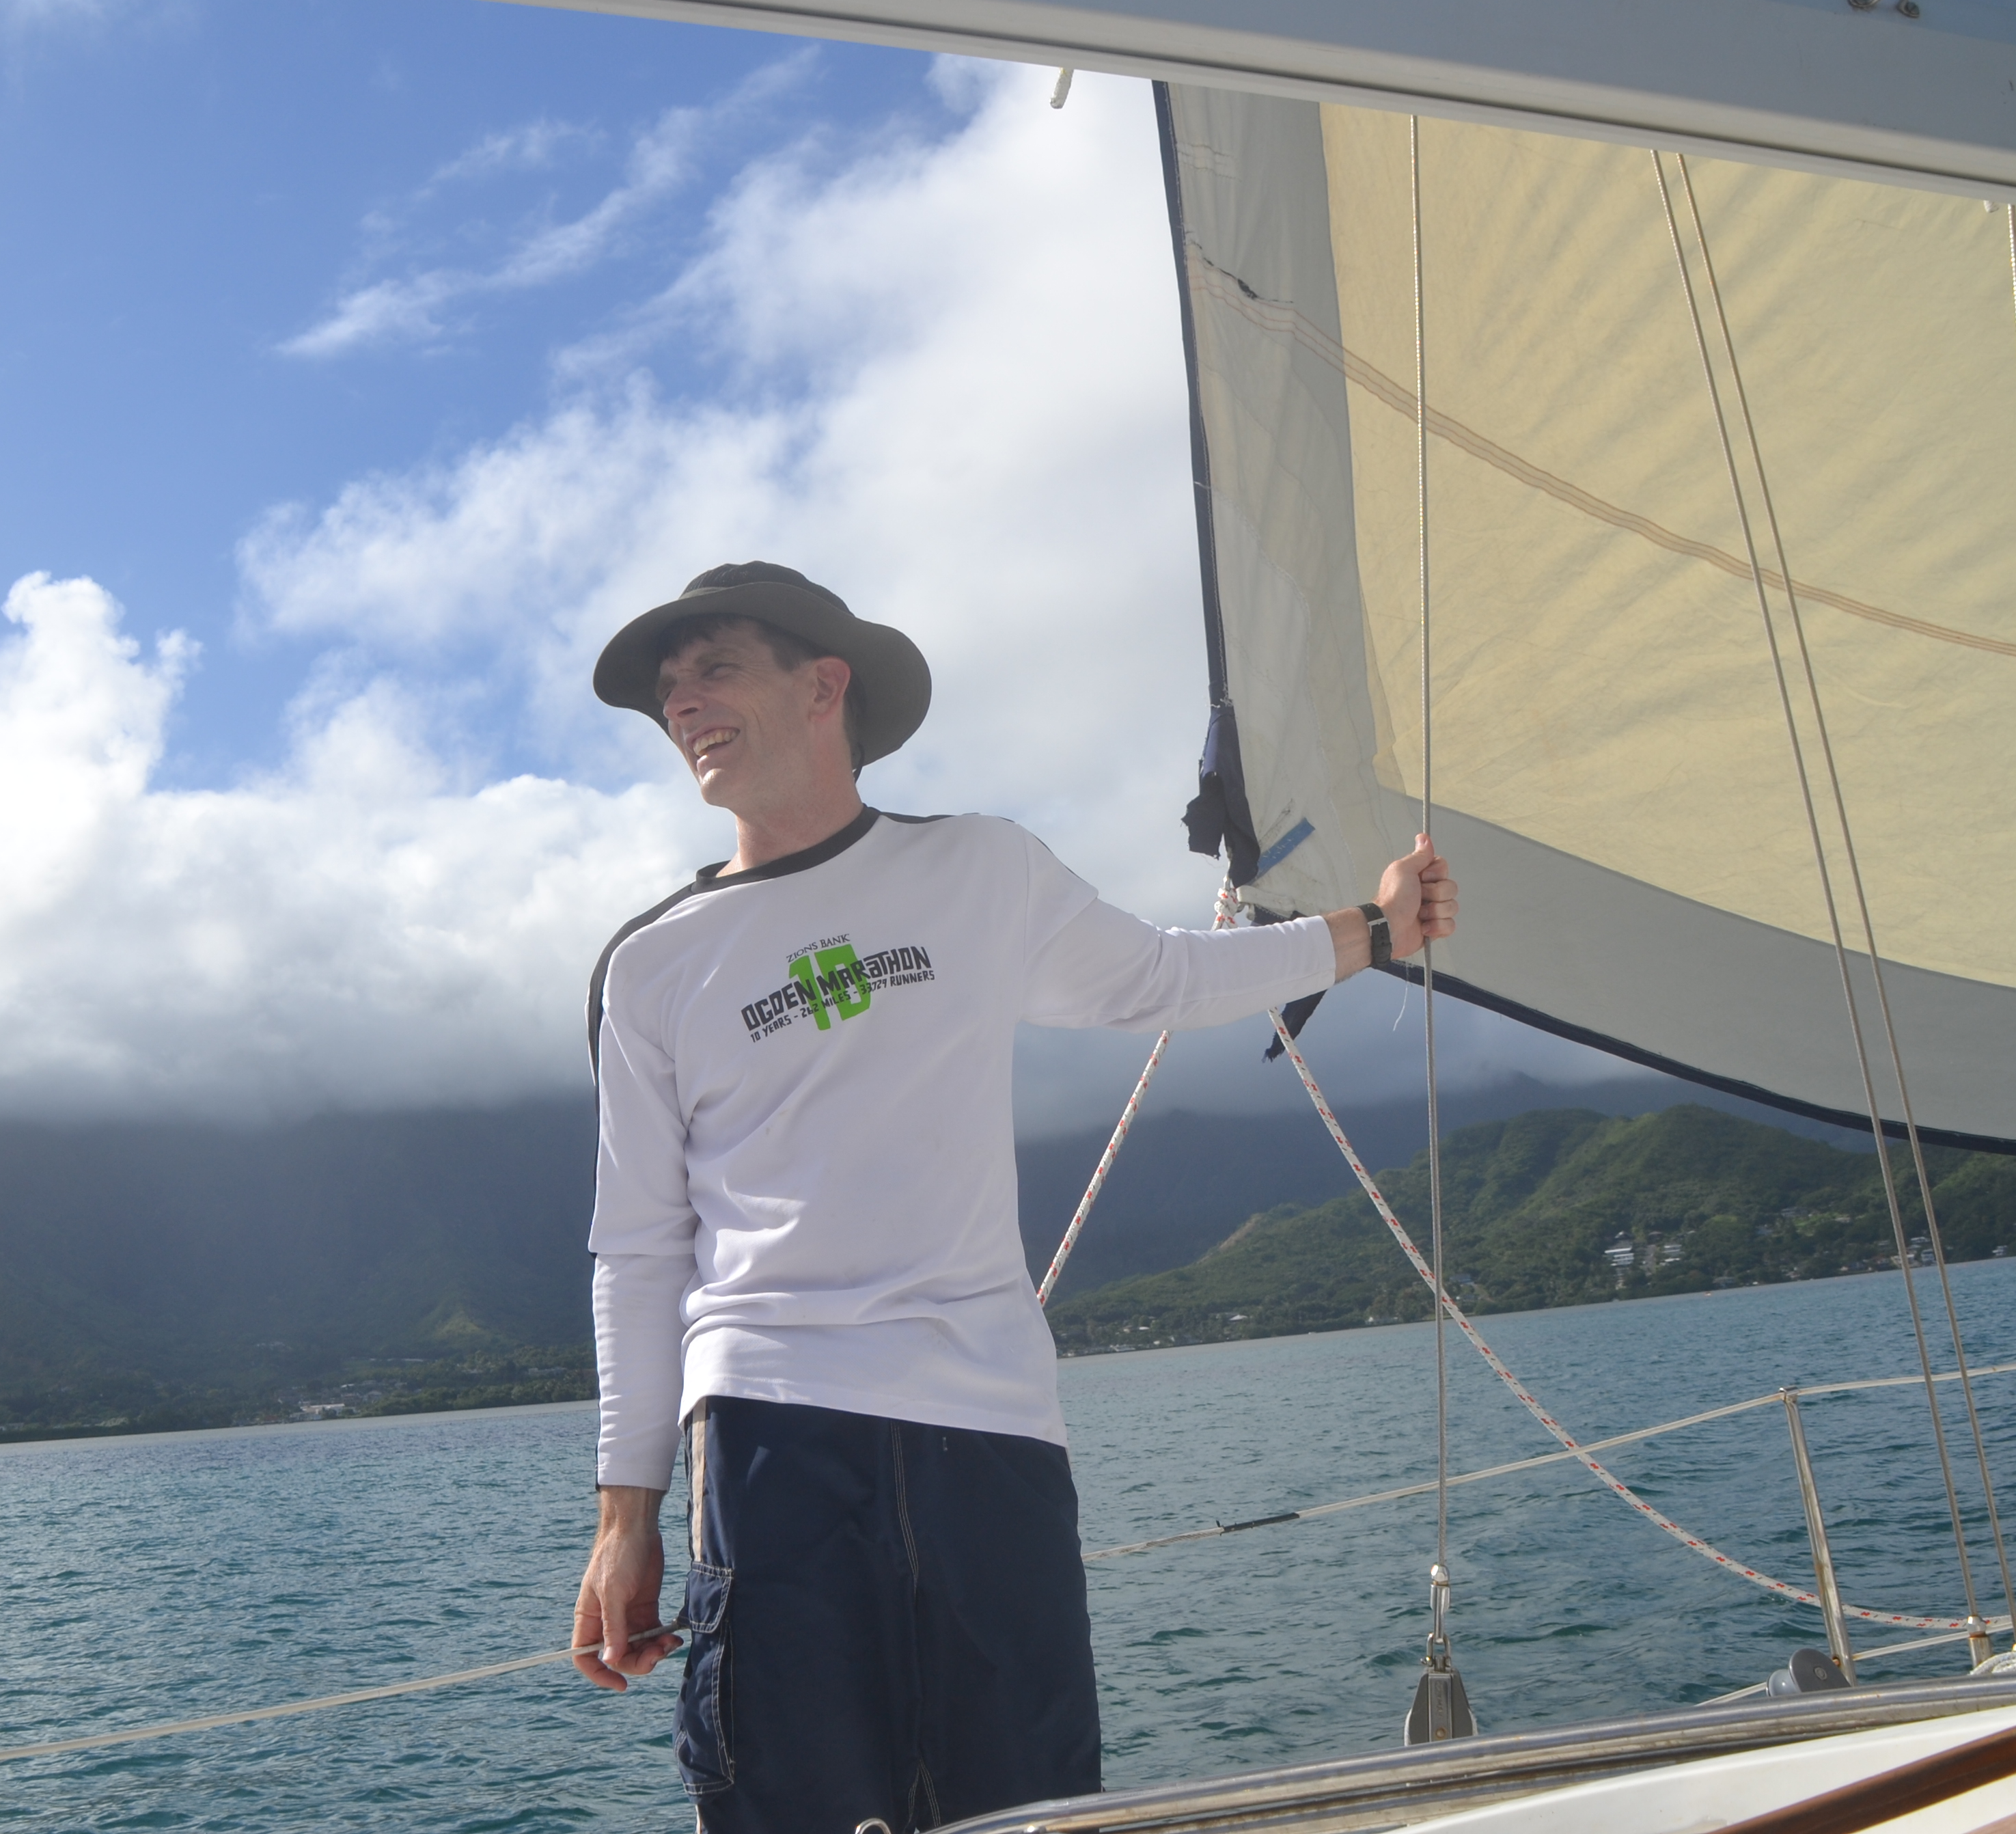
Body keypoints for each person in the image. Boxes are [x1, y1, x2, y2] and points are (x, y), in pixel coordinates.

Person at [570, 562, 1456, 1834]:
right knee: (790, 1803)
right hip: (771, 1429)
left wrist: (1374, 931)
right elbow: (637, 1247)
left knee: (1027, 1801)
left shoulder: (980, 869)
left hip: (987, 1427)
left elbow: (1163, 976)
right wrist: (627, 1515)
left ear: (824, 687)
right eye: (668, 689)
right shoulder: (652, 964)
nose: (682, 705)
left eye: (713, 669)